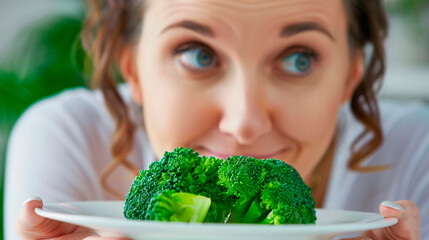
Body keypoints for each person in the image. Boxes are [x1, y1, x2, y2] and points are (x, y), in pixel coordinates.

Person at [4, 0, 427, 239]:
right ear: (131, 68)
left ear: (350, 75)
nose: (245, 123)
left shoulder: (416, 153)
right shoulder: (69, 139)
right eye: (197, 55)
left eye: (300, 59)